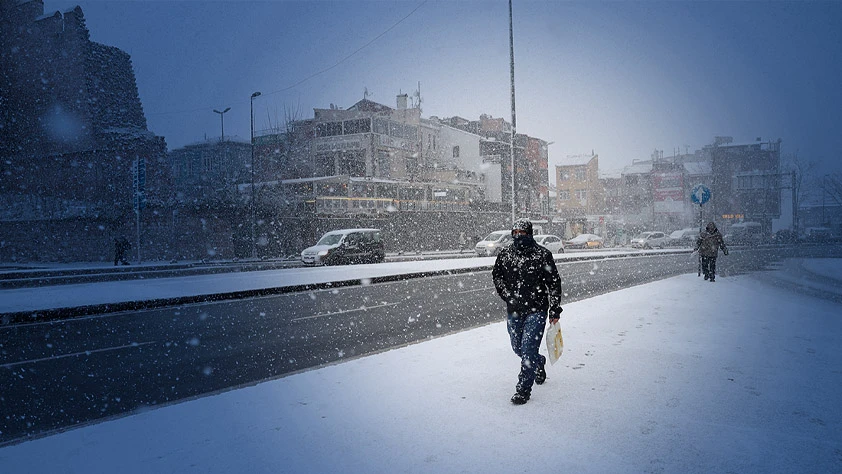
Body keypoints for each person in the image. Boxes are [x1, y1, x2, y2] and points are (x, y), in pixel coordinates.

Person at [492, 219, 563, 405]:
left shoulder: (542, 255)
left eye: (522, 233)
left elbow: (554, 283)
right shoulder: (505, 254)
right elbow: (497, 275)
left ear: (529, 234)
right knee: (518, 348)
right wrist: (506, 294)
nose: (518, 236)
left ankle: (523, 389)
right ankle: (539, 362)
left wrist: (554, 309)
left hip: (537, 310)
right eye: (514, 232)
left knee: (528, 349)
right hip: (514, 310)